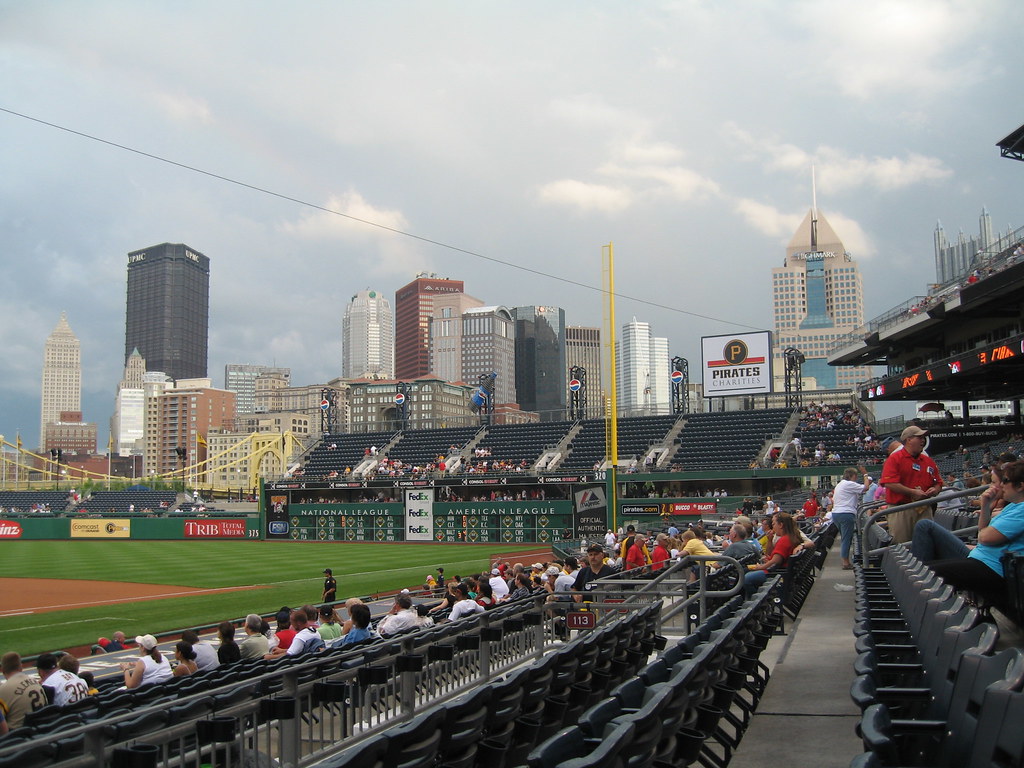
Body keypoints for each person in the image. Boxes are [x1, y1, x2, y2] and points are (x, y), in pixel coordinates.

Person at [911, 460, 1024, 606]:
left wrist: (983, 534)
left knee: (923, 572)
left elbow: (984, 537)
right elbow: (982, 534)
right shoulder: (1013, 507)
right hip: (980, 560)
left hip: (992, 569)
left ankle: (917, 604)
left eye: (1005, 480)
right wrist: (986, 505)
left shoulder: (1021, 510)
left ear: (1020, 486)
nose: (1001, 484)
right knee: (921, 568)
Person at [881, 425, 942, 542]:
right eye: (919, 437)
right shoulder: (895, 459)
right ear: (909, 440)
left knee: (927, 544)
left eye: (923, 437)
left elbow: (939, 483)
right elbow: (889, 483)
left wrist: (935, 489)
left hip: (924, 508)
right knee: (903, 546)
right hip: (901, 509)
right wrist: (912, 492)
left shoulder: (928, 461)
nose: (923, 440)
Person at [745, 513, 802, 591]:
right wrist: (768, 559)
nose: (773, 527)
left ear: (781, 525)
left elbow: (775, 561)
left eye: (774, 524)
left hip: (775, 573)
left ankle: (754, 600)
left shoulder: (784, 540)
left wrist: (760, 567)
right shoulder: (791, 537)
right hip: (781, 571)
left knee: (746, 578)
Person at [832, 466, 872, 569]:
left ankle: (845, 560)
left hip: (837, 513)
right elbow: (866, 487)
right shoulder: (848, 484)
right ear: (851, 475)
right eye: (855, 476)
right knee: (846, 539)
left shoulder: (840, 484)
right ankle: (845, 563)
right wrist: (865, 474)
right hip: (845, 513)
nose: (856, 478)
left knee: (845, 538)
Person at [0, 652, 46, 728]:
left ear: (2, 670)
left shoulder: (3, 690)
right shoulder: (36, 682)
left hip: (17, 735)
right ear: (21, 667)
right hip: (43, 729)